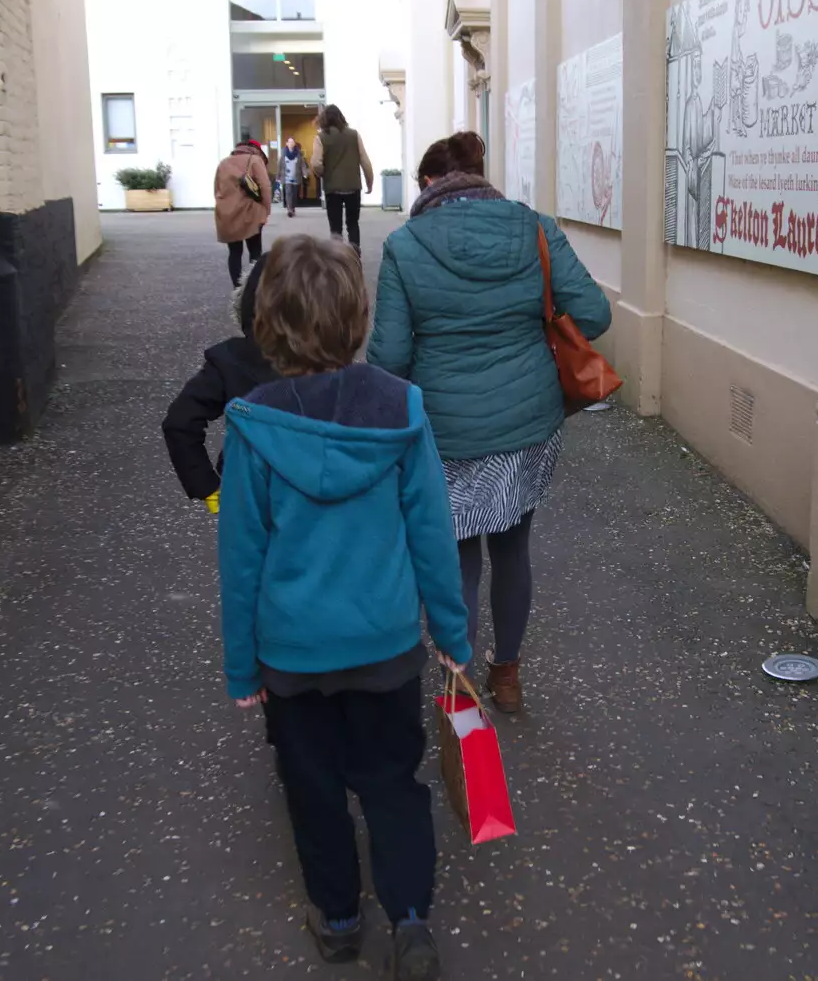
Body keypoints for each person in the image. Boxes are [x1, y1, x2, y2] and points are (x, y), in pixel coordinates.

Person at [219, 234, 472, 980]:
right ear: (357, 316)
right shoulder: (401, 410)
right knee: (394, 782)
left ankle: (336, 918)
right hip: (384, 645)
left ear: (268, 322)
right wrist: (452, 636)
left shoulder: (253, 424)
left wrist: (242, 668)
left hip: (293, 654)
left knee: (313, 786)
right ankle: (411, 920)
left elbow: (240, 559)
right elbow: (432, 533)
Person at [368, 131, 611, 712]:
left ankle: (461, 685)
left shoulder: (406, 245)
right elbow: (595, 315)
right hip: (527, 424)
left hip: (445, 431)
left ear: (429, 183)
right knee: (512, 549)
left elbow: (391, 359)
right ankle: (508, 677)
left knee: (456, 558)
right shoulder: (534, 228)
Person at [161, 254, 278, 512]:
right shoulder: (327, 362)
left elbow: (180, 421)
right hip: (314, 496)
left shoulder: (231, 360)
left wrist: (207, 486)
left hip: (245, 487)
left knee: (248, 551)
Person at [311, 105, 373, 253]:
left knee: (336, 228)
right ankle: (355, 258)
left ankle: (337, 260)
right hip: (353, 186)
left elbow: (315, 163)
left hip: (332, 189)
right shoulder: (354, 135)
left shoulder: (321, 137)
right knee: (353, 224)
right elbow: (365, 161)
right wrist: (369, 182)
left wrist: (322, 173)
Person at [215, 137, 272, 287]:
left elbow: (217, 189)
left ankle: (237, 289)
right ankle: (253, 289)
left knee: (234, 253)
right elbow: (265, 187)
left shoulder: (224, 163)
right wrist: (266, 210)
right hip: (251, 212)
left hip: (227, 214)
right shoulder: (255, 160)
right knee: (255, 252)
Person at [280, 137, 308, 217]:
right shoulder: (283, 153)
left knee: (295, 194)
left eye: (292, 142)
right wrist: (278, 176)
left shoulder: (298, 154)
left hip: (296, 177)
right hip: (287, 177)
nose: (291, 143)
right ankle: (289, 209)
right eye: (289, 142)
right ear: (287, 144)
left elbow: (302, 165)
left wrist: (304, 173)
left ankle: (293, 207)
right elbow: (280, 165)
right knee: (288, 193)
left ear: (294, 144)